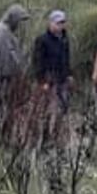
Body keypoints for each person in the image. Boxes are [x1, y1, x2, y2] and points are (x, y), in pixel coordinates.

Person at [0, 4, 30, 135]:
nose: (19, 24)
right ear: (12, 18)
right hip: (2, 77)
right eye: (19, 20)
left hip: (1, 76)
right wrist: (19, 69)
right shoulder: (3, 32)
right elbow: (5, 57)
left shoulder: (4, 30)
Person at [32, 10, 73, 140]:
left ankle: (58, 134)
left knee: (63, 107)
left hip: (62, 79)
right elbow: (37, 62)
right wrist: (42, 81)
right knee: (49, 109)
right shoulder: (42, 40)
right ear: (50, 23)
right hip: (49, 79)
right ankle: (45, 136)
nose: (60, 26)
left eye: (62, 23)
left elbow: (66, 59)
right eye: (58, 23)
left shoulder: (64, 40)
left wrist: (69, 74)